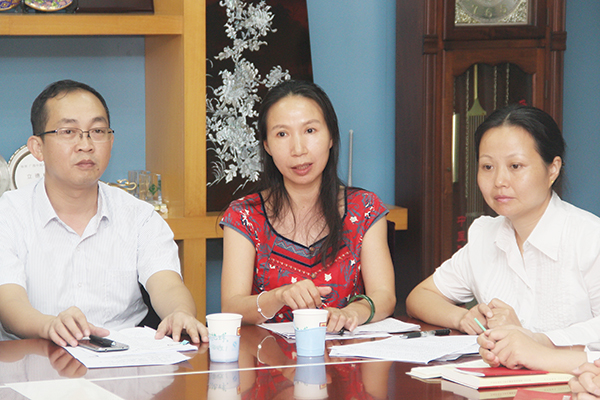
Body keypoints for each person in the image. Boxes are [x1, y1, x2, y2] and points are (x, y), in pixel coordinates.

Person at [0, 80, 208, 347]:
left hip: (124, 359)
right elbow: (9, 303)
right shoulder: (9, 215)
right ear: (37, 148)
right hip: (36, 356)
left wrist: (180, 312)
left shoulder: (139, 216)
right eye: (68, 131)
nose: (85, 145)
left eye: (97, 131)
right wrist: (49, 326)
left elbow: (167, 284)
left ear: (110, 140)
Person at [405, 104, 600, 367]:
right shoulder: (486, 235)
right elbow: (420, 296)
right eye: (487, 166)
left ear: (553, 169)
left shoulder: (589, 238)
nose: (499, 181)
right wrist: (463, 318)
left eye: (515, 166)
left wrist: (538, 341)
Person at [220, 80, 396, 333]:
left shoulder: (365, 209)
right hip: (268, 354)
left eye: (310, 130)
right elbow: (231, 307)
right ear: (267, 145)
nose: (298, 149)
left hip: (346, 351)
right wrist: (278, 296)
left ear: (331, 136)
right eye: (282, 134)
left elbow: (384, 296)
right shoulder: (244, 215)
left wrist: (350, 314)